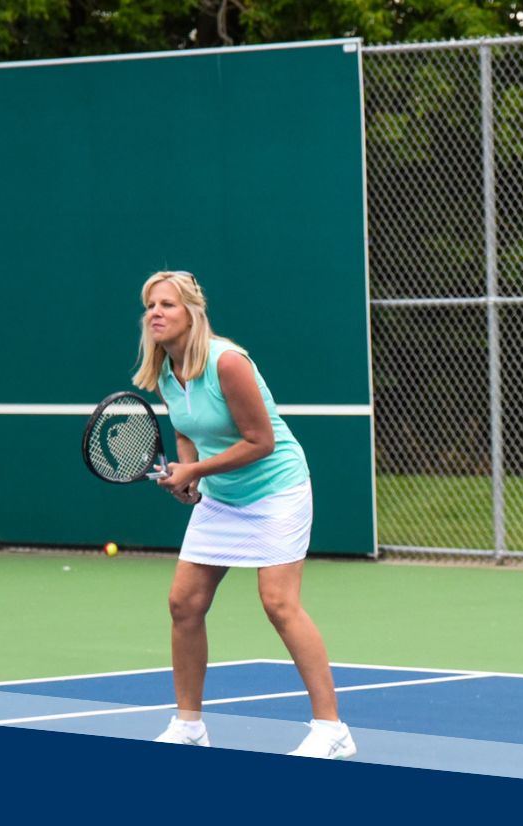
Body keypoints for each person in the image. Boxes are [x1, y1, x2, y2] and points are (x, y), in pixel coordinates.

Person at [131, 270, 357, 760]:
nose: (155, 313)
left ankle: (331, 729)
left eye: (167, 304)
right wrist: (189, 479)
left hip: (277, 490)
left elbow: (262, 442)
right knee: (184, 603)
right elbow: (188, 433)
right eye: (150, 305)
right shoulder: (166, 372)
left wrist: (196, 468)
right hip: (222, 496)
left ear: (192, 312)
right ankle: (189, 727)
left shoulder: (227, 362)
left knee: (279, 603)